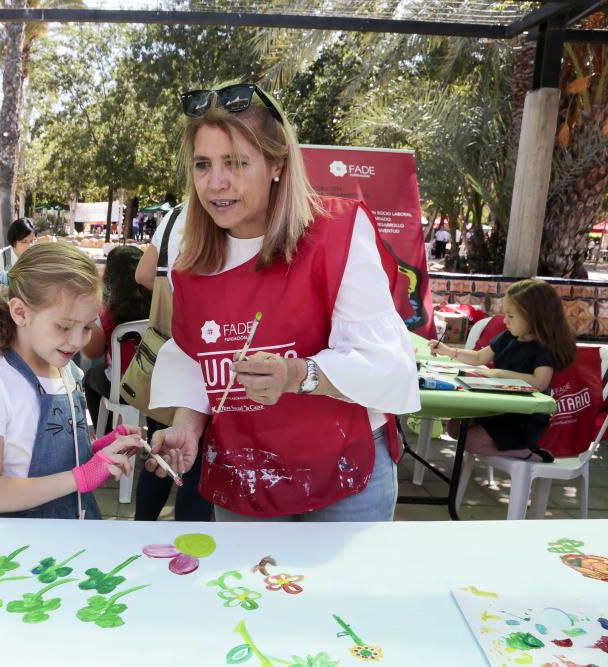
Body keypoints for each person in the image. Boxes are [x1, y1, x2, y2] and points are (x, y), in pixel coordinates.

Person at [146, 82, 420, 522]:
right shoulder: (189, 263)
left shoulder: (337, 234)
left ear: (276, 164)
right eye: (203, 165)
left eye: (236, 163)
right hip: (244, 476)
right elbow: (199, 363)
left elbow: (385, 361)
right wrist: (186, 427)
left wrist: (297, 374)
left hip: (343, 475)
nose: (216, 183)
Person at [0, 243, 141, 518]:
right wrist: (81, 478)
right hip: (23, 547)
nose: (77, 341)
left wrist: (100, 449)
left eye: (87, 327)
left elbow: (63, 452)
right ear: (20, 313)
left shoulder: (68, 371)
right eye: (64, 326)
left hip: (74, 530)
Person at [429, 279, 576, 463]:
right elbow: (478, 358)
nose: (505, 320)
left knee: (469, 440)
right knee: (455, 427)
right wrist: (449, 351)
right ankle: (497, 447)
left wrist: (500, 374)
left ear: (534, 317)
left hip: (522, 418)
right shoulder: (508, 337)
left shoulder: (542, 348)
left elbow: (540, 382)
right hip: (498, 408)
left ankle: (527, 453)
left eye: (511, 316)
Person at [132, 204, 213, 522]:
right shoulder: (237, 218)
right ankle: (186, 551)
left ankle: (142, 528)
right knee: (198, 459)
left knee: (163, 446)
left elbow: (142, 274)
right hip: (211, 353)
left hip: (169, 352)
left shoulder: (176, 215)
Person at [81, 245, 151, 429]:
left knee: (90, 378)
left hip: (122, 389)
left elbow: (91, 352)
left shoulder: (108, 314)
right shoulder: (160, 309)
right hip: (157, 387)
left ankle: (103, 432)